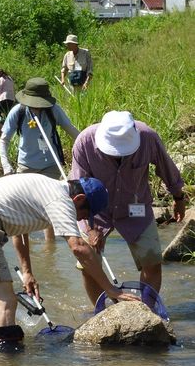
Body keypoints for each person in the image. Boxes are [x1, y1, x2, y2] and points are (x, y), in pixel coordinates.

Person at [0, 173, 140, 352]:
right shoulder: (61, 199)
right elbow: (79, 247)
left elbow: (20, 229)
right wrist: (111, 290)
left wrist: (27, 271)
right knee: (5, 301)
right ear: (79, 199)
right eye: (83, 213)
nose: (81, 219)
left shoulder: (44, 187)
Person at [70, 110, 186, 303]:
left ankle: (146, 310)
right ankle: (101, 314)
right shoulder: (85, 142)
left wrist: (179, 198)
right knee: (88, 265)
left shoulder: (148, 137)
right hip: (95, 210)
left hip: (136, 206)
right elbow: (76, 192)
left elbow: (166, 167)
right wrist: (90, 229)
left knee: (152, 261)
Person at [0, 77, 79, 240]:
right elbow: (4, 140)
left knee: (50, 207)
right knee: (21, 209)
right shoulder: (18, 111)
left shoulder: (53, 110)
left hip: (50, 165)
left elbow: (73, 132)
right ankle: (25, 249)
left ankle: (50, 248)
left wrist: (84, 153)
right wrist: (6, 166)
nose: (37, 107)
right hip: (26, 166)